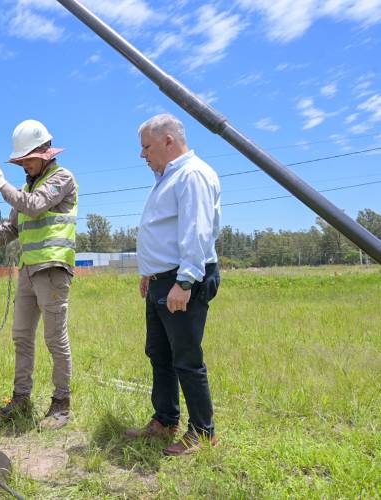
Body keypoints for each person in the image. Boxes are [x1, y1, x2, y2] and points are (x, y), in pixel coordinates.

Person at [124, 113, 221, 456]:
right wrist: (149, 274)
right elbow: (164, 232)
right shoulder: (167, 177)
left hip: (183, 280)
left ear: (168, 140)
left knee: (186, 358)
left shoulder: (191, 175)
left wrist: (184, 282)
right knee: (160, 354)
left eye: (146, 147)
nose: (143, 154)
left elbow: (196, 232)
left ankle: (203, 431)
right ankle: (165, 420)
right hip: (161, 282)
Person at [0, 119, 78, 430]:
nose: (23, 166)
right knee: (21, 336)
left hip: (53, 269)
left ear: (45, 152)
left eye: (26, 160)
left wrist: (2, 185)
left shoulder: (62, 179)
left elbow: (33, 207)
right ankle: (20, 398)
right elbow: (14, 225)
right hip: (29, 272)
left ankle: (61, 404)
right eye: (20, 161)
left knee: (54, 338)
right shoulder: (26, 185)